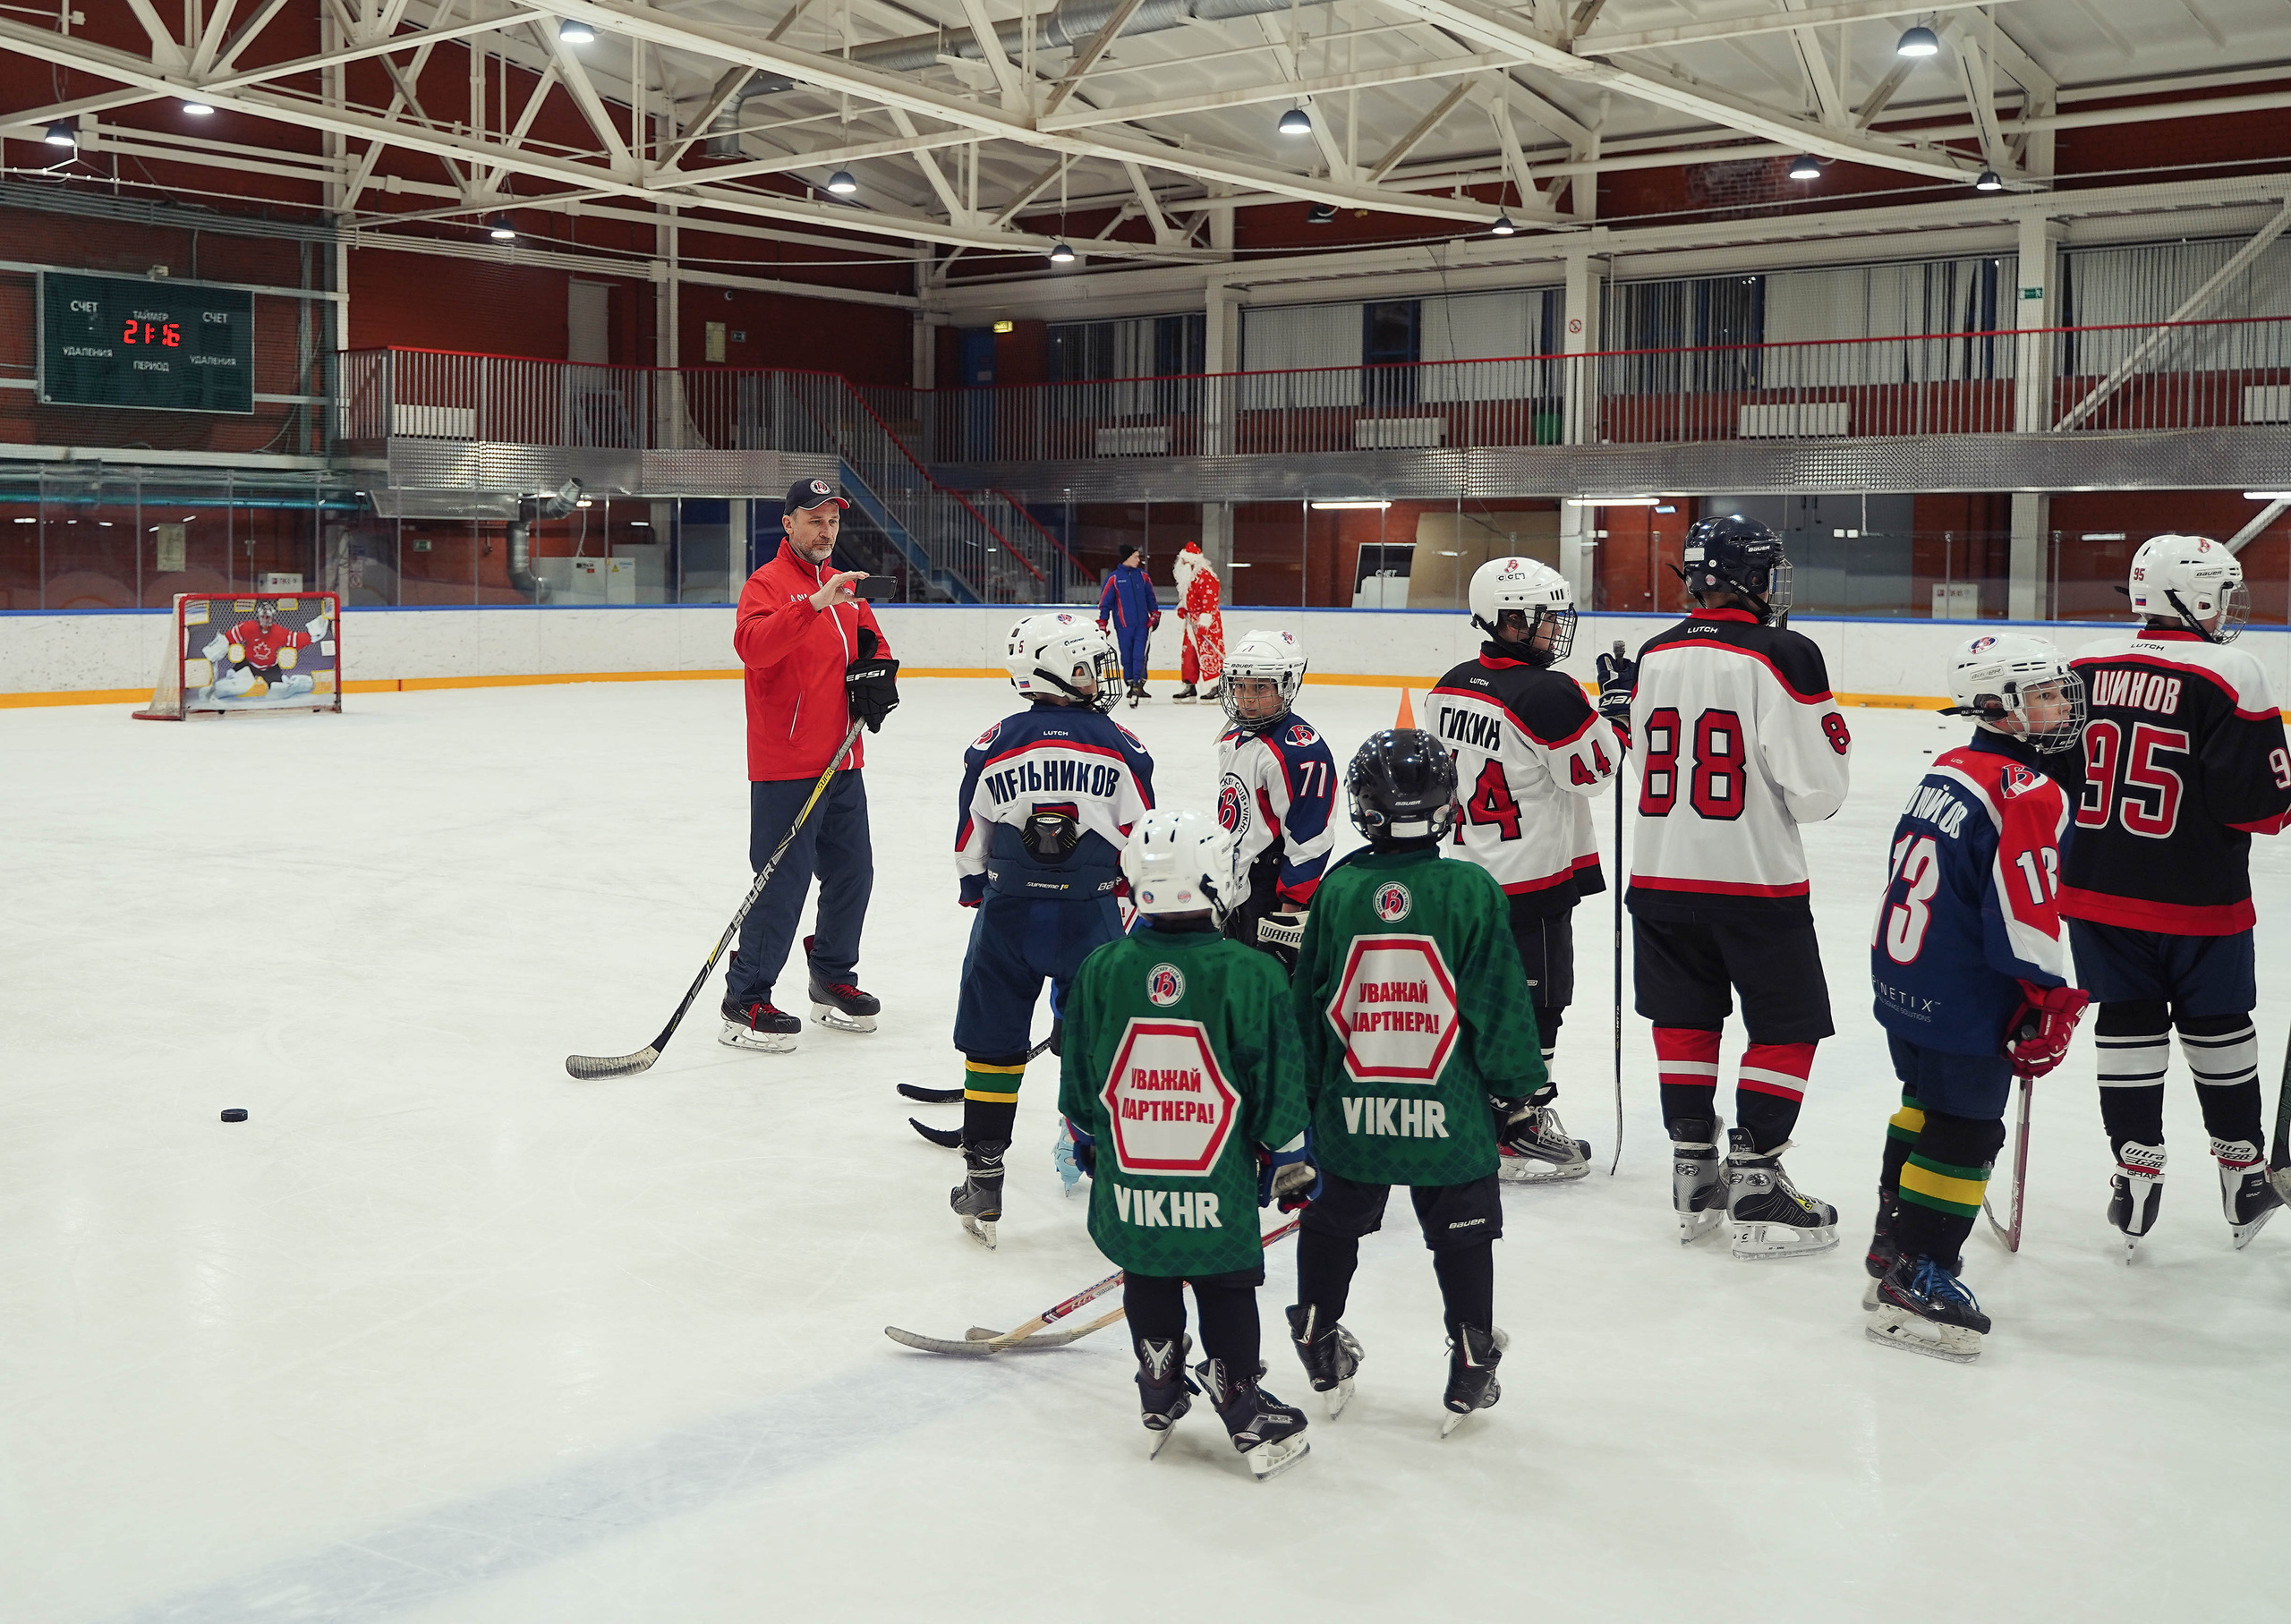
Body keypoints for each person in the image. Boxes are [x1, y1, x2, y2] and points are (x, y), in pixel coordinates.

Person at [1597, 514, 1852, 1258]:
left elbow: (1652, 768)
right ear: (1748, 580)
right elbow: (1818, 795)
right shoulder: (1786, 654)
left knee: (1685, 1017)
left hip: (1660, 878)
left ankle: (1692, 1170)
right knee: (1788, 1022)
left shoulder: (1653, 653)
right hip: (1753, 882)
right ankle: (1757, 1175)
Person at [1287, 730, 1548, 1434]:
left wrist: (1296, 1104)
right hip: (1449, 1109)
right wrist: (1520, 1087)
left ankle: (1315, 1329)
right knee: (1463, 1229)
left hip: (1351, 1109)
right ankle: (1471, 1351)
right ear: (1443, 807)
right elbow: (1496, 1000)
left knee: (1332, 1218)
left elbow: (1308, 1005)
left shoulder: (1339, 887)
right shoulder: (1469, 888)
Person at [1058, 809, 1316, 1479]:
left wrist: (1085, 1137)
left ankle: (1159, 1383)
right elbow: (1278, 1080)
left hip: (1133, 1176)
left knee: (1147, 1264)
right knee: (1225, 1278)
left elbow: (1082, 1076)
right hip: (1216, 1178)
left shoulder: (1101, 966)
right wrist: (1288, 1158)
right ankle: (1240, 1400)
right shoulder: (1252, 972)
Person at [2057, 534, 2291, 1255]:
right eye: (2222, 591)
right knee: (2219, 1023)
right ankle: (2243, 1171)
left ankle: (2135, 1171)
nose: (2229, 606)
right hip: (2197, 895)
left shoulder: (2081, 668)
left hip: (2094, 889)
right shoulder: (2231, 672)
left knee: (2127, 1023)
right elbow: (2264, 809)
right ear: (2190, 597)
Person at [1862, 634, 2088, 1361]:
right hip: (1965, 986)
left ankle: (1890, 1241)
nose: (2061, 705)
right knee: (1964, 1128)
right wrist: (2047, 999)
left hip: (1908, 973)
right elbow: (2024, 912)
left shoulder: (1949, 766)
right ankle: (1919, 1269)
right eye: (2045, 693)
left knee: (1924, 1103)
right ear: (2000, 704)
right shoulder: (2029, 790)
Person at [949, 611, 1155, 1247]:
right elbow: (1141, 844)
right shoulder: (1125, 745)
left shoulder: (993, 744)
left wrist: (978, 890)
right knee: (1102, 1043)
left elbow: (969, 846)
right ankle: (1107, 1162)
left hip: (1008, 917)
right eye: (1091, 663)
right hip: (1091, 919)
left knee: (992, 1043)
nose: (1101, 675)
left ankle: (984, 1176)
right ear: (1059, 667)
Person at [1430, 557, 1624, 1185]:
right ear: (1509, 621)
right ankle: (1518, 1121)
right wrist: (1617, 713)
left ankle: (1479, 1105)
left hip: (1467, 876)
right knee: (1541, 1002)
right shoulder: (1548, 691)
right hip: (1530, 882)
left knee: (1478, 1000)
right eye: (1542, 619)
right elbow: (1593, 771)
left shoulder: (1450, 684)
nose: (1553, 630)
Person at [722, 479, 901, 1053]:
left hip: (844, 757)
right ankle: (745, 998)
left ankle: (831, 975)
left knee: (854, 872)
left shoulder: (845, 586)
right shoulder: (767, 585)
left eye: (833, 522)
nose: (826, 533)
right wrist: (815, 605)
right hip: (787, 765)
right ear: (789, 524)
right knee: (782, 881)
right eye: (814, 520)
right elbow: (754, 646)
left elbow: (873, 641)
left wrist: (877, 671)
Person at [1214, 628, 1337, 971]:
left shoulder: (1299, 751)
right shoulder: (1237, 736)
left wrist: (1290, 910)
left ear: (1287, 685)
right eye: (1239, 686)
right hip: (1239, 888)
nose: (1247, 698)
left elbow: (1310, 835)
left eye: (1260, 688)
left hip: (1274, 894)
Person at [1098, 544, 1161, 707]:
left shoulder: (1143, 577)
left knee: (1140, 655)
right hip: (1124, 626)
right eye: (1135, 557)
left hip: (1142, 625)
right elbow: (1105, 603)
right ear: (1127, 558)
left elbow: (1151, 598)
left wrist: (1154, 614)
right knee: (1127, 656)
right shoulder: (1114, 578)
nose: (1138, 560)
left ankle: (1139, 685)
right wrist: (1103, 622)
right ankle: (1131, 683)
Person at [1171, 542, 1226, 704]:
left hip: (1207, 624)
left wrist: (1205, 621)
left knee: (1209, 654)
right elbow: (1188, 598)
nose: (1181, 564)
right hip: (1191, 623)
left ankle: (1216, 686)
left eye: (1184, 561)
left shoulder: (1206, 576)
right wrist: (1183, 607)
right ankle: (1190, 685)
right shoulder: (1190, 578)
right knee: (1188, 654)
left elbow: (1210, 599)